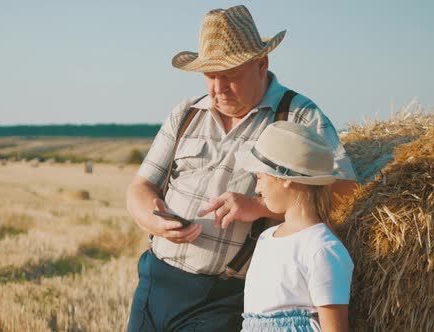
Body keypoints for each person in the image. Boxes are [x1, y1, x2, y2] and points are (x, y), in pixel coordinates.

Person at [126, 5, 358, 332]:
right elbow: (140, 187)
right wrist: (152, 219)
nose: (218, 89)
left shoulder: (300, 116)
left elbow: (347, 194)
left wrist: (259, 207)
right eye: (210, 76)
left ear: (261, 64)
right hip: (156, 279)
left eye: (230, 76)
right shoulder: (186, 113)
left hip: (223, 299)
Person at [239, 121, 353, 331]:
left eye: (260, 177)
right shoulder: (266, 237)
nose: (257, 188)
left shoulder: (322, 249)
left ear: (286, 179)